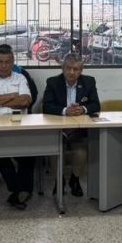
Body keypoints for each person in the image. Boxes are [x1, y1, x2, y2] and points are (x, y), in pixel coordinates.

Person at [0, 45, 35, 209]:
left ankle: (20, 191)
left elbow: (25, 101)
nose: (3, 66)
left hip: (19, 127)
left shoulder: (20, 78)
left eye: (7, 62)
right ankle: (20, 190)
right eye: (0, 62)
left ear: (13, 63)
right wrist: (11, 96)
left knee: (30, 153)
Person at [43, 54, 101, 197]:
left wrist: (83, 109)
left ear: (81, 70)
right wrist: (65, 111)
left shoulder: (89, 82)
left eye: (76, 69)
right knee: (55, 153)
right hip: (58, 130)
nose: (71, 72)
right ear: (63, 68)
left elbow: (96, 105)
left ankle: (74, 180)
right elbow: (47, 106)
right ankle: (59, 181)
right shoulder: (53, 82)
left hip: (78, 131)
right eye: (68, 68)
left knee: (81, 153)